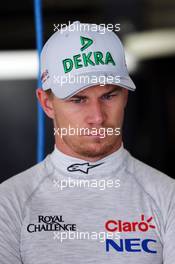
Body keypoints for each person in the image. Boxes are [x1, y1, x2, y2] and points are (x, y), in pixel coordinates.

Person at [0, 21, 174, 264]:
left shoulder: (168, 199)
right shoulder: (8, 204)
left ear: (125, 96)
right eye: (78, 99)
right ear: (47, 103)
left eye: (109, 95)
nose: (97, 117)